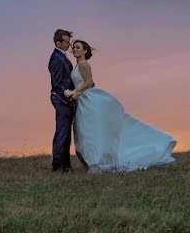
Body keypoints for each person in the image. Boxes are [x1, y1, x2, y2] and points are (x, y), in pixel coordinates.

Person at [65, 39, 176, 173]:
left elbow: (88, 82)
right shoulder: (77, 66)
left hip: (87, 100)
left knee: (89, 132)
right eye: (74, 48)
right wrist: (76, 91)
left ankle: (96, 161)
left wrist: (76, 91)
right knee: (84, 132)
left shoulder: (83, 64)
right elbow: (92, 83)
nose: (75, 50)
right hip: (82, 101)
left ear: (84, 51)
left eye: (78, 47)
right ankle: (91, 162)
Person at [48, 28, 76, 172]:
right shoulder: (56, 59)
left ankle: (66, 165)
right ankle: (57, 165)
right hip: (61, 100)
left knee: (66, 133)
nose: (69, 45)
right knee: (62, 131)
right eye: (66, 42)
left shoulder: (62, 56)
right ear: (58, 43)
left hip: (67, 100)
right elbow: (56, 84)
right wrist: (67, 94)